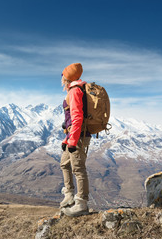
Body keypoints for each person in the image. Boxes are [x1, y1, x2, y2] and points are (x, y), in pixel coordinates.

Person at [59, 62, 91, 217]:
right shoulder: (78, 89)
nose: (61, 79)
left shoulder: (74, 91)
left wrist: (72, 141)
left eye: (63, 76)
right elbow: (72, 118)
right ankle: (69, 195)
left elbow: (77, 117)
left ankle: (81, 204)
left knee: (78, 169)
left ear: (67, 78)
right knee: (64, 164)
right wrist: (67, 140)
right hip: (73, 135)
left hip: (78, 136)